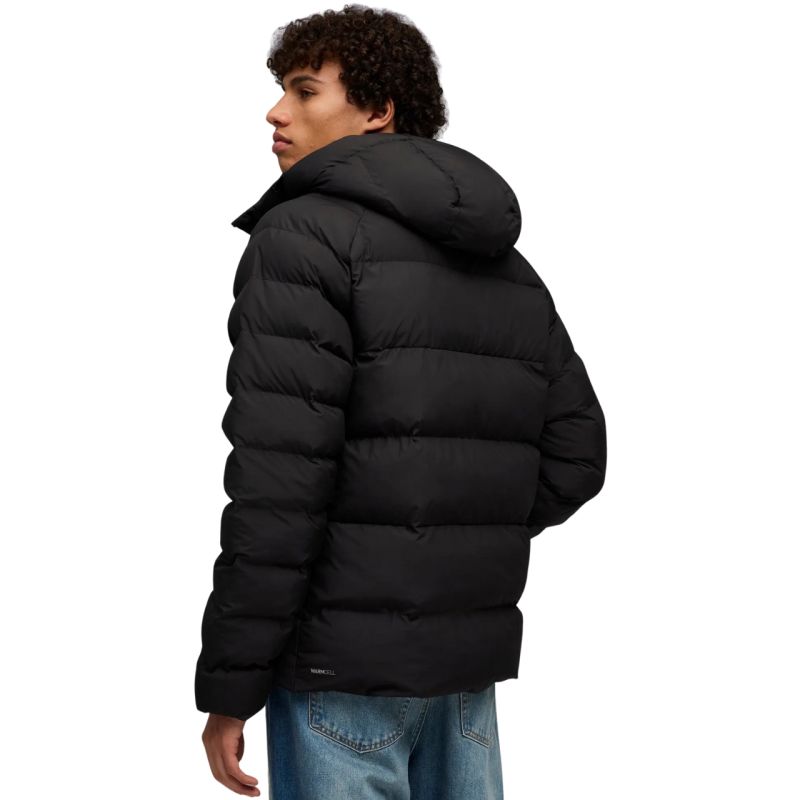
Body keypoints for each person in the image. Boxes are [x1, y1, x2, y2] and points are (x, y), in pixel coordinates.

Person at [195, 5, 607, 798]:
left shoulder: (302, 236)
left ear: (378, 110)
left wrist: (230, 685)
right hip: (461, 674)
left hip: (337, 665)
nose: (276, 112)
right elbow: (576, 455)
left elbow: (279, 484)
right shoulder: (503, 262)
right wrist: (443, 545)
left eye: (304, 90)